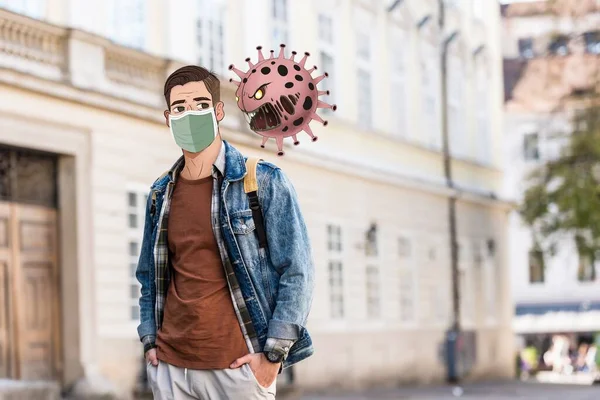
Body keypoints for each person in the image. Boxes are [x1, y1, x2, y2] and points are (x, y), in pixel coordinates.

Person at [135, 65, 315, 399]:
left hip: (239, 369)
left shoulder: (262, 181)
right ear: (168, 117)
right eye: (180, 109)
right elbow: (149, 276)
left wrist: (272, 356)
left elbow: (298, 271)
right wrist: (150, 341)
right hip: (172, 370)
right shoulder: (161, 193)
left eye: (200, 105)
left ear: (218, 111)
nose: (190, 116)